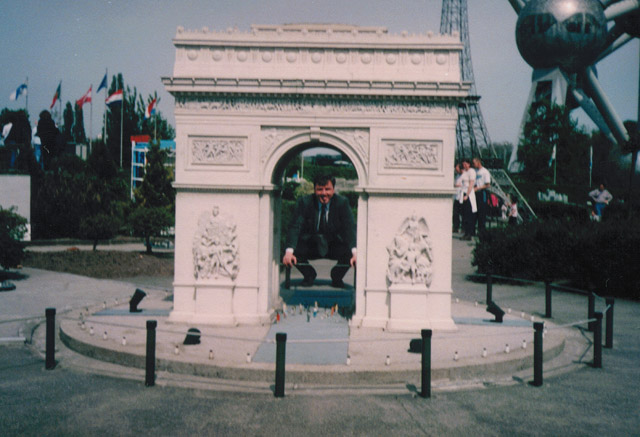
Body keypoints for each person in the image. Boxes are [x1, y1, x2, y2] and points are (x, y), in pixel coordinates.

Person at [283, 174, 356, 287]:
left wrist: (355, 253)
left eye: (327, 189)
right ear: (314, 190)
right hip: (312, 244)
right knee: (292, 249)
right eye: (320, 189)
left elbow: (349, 227)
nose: (324, 193)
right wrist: (288, 253)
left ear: (333, 189)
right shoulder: (304, 202)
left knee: (352, 251)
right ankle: (309, 274)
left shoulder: (342, 203)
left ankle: (337, 276)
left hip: (334, 245)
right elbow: (295, 226)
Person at [473, 157, 491, 233]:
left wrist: (478, 188)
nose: (473, 164)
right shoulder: (475, 171)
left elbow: (487, 184)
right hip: (475, 193)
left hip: (481, 193)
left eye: (474, 163)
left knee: (481, 213)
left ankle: (481, 232)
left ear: (478, 162)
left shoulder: (485, 172)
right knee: (474, 212)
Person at [460, 159, 477, 240]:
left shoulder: (471, 171)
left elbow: (471, 184)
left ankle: (469, 233)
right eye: (463, 164)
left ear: (469, 164)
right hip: (463, 192)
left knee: (469, 214)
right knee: (465, 215)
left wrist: (467, 194)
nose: (464, 166)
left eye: (466, 164)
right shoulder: (465, 172)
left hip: (469, 194)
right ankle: (466, 233)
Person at [453, 162, 464, 233]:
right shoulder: (457, 176)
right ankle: (455, 227)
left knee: (462, 213)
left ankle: (463, 227)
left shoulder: (464, 176)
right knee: (455, 213)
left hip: (461, 196)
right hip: (456, 196)